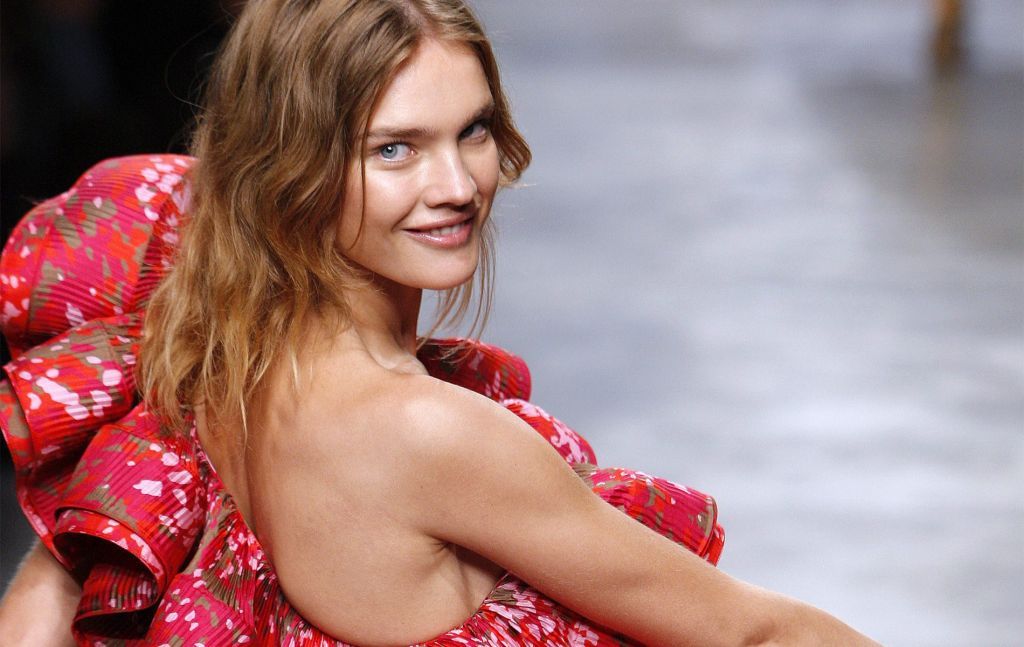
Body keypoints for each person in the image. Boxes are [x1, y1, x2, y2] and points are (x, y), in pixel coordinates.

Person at [0, 1, 878, 644]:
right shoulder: (422, 432)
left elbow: (52, 586)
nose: (457, 186)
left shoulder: (201, 329)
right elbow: (751, 635)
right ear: (289, 166)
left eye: (474, 131)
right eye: (395, 149)